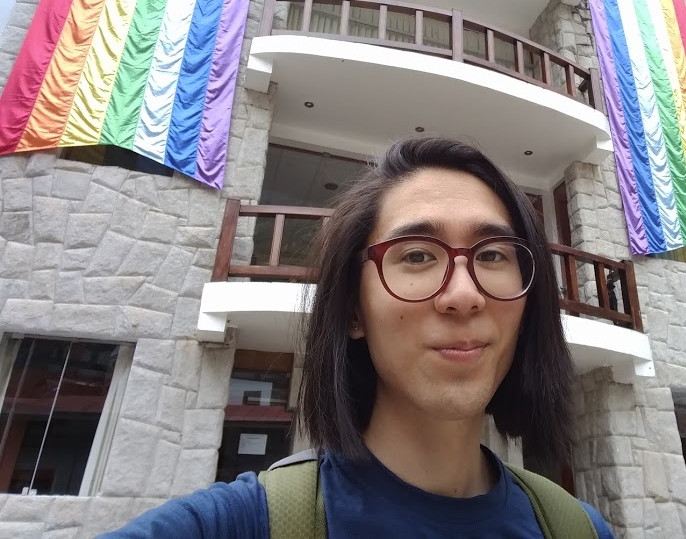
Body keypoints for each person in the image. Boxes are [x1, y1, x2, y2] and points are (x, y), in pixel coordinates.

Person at [102, 137, 614, 538]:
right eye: (416, 255)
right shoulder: (244, 523)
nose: (464, 294)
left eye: (493, 255)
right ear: (353, 309)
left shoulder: (578, 529)